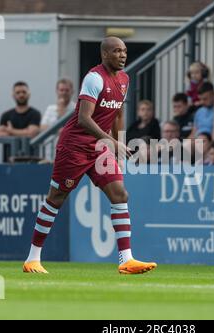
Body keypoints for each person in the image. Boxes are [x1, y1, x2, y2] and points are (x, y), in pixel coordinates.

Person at [23, 37, 157, 275]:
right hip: (74, 146)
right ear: (105, 55)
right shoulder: (94, 78)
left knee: (120, 194)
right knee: (56, 198)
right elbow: (84, 118)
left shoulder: (124, 79)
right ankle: (33, 258)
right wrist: (111, 141)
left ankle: (126, 259)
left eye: (124, 51)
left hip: (99, 148)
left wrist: (119, 143)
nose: (123, 55)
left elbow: (117, 114)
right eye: (117, 51)